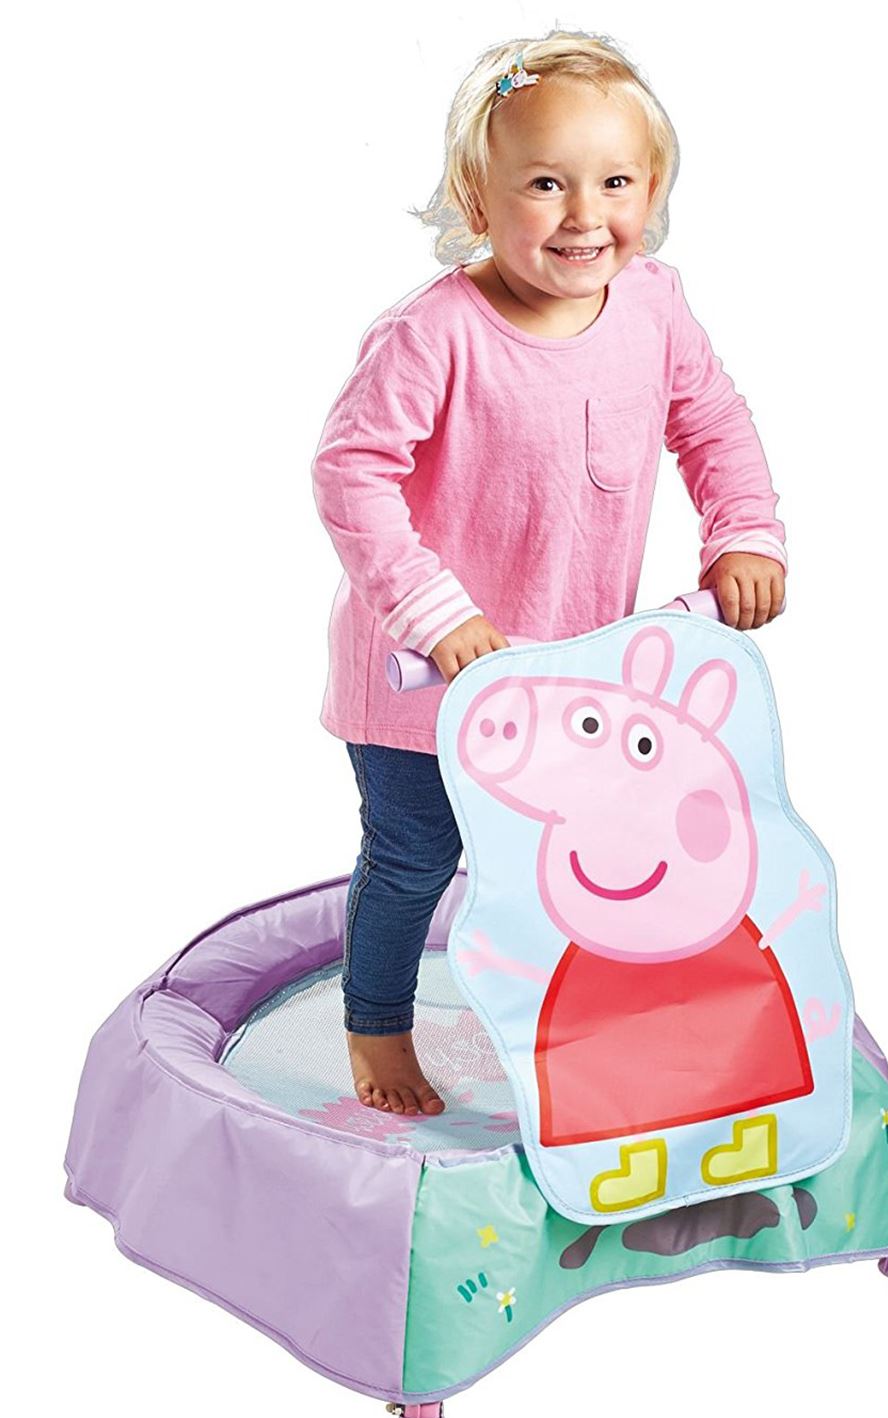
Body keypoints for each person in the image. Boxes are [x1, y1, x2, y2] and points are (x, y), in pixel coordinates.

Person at [310, 30, 788, 1117]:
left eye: (615, 183)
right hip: (424, 682)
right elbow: (351, 473)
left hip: (571, 674)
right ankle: (376, 1027)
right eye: (544, 184)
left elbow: (713, 423)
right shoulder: (435, 334)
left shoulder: (654, 305)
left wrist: (745, 534)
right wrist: (434, 613)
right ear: (476, 201)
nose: (584, 215)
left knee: (578, 855)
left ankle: (569, 1026)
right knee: (414, 856)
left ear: (653, 190)